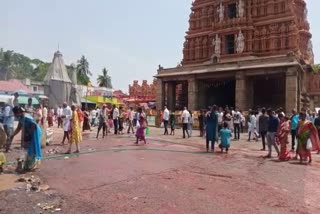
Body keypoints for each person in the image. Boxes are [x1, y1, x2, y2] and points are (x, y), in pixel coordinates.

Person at [9, 106, 42, 173]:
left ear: (18, 112)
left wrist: (29, 135)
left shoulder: (26, 117)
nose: (15, 115)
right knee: (28, 149)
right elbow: (18, 128)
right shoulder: (21, 118)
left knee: (32, 149)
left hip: (35, 132)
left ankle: (30, 166)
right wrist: (12, 135)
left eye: (15, 114)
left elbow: (34, 125)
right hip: (30, 132)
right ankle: (27, 165)